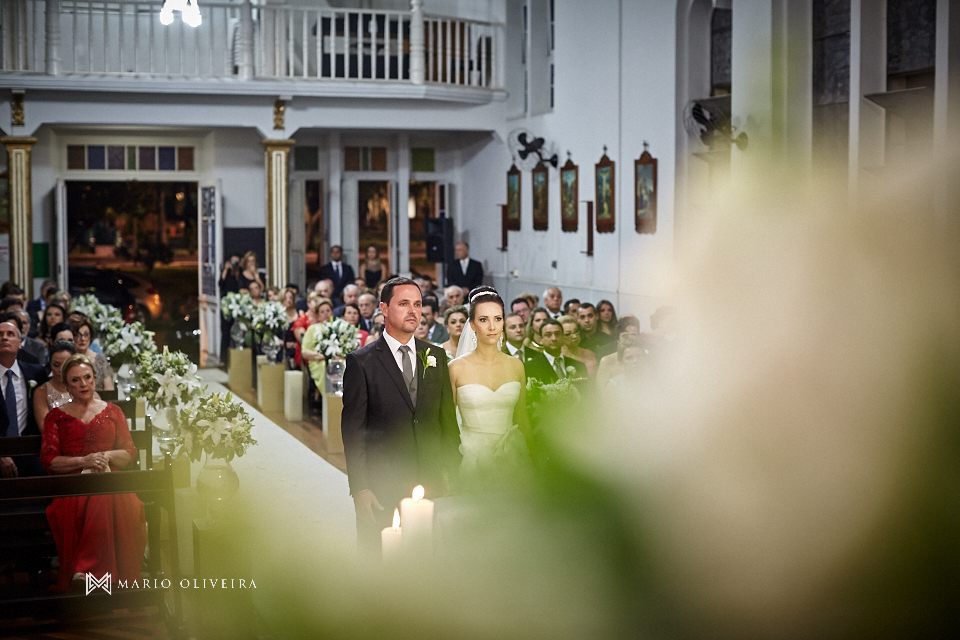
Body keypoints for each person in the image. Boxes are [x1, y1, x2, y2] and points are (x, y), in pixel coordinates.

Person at [341, 276, 459, 554]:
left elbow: (447, 422)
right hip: (383, 482)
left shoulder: (436, 356)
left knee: (430, 560)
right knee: (378, 561)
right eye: (404, 303)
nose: (413, 311)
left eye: (417, 304)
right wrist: (360, 489)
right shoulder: (362, 362)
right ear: (383, 308)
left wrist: (452, 473)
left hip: (431, 479)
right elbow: (353, 432)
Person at [40, 354, 147, 591]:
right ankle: (95, 573)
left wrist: (105, 456)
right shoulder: (56, 417)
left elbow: (129, 453)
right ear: (66, 385)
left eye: (87, 378)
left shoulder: (113, 411)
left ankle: (89, 573)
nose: (83, 384)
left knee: (109, 492)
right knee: (98, 492)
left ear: (95, 378)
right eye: (75, 380)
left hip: (112, 480)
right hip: (73, 488)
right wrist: (84, 460)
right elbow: (50, 461)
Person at [448, 286, 531, 481]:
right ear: (473, 324)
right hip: (471, 455)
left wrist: (531, 454)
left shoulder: (516, 365)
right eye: (484, 320)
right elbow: (448, 423)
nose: (492, 327)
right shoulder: (455, 368)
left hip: (513, 454)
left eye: (498, 319)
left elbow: (522, 415)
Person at [0, 317, 49, 478]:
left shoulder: (36, 373)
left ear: (20, 343)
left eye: (10, 334)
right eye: (0, 334)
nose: (5, 337)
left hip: (29, 450)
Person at [523, 319, 587, 384]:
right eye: (548, 335)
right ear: (541, 339)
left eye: (557, 334)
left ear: (562, 337)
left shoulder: (578, 365)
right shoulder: (530, 367)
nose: (554, 338)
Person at [33, 340, 78, 428]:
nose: (60, 370)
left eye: (65, 364)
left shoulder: (83, 387)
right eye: (56, 365)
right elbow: (45, 428)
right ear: (50, 364)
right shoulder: (42, 392)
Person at [68, 315, 114, 391]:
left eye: (86, 335)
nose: (82, 339)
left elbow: (109, 390)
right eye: (78, 335)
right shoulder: (67, 360)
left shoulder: (100, 360)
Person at [596, 316, 641, 389]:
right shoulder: (607, 361)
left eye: (633, 335)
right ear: (618, 340)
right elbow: (602, 394)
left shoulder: (644, 358)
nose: (629, 338)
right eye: (625, 336)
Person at [292, 293, 332, 369]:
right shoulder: (302, 321)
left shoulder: (331, 324)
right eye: (316, 301)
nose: (319, 303)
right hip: (312, 355)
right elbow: (304, 342)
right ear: (308, 303)